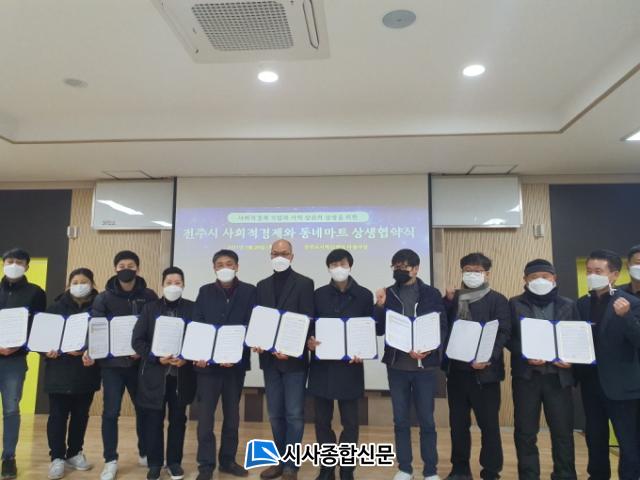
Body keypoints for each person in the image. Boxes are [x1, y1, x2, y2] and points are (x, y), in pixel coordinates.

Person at [374, 248, 446, 480]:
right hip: (397, 367)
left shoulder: (431, 293)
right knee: (400, 420)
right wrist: (379, 306)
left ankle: (430, 471)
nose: (399, 270)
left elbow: (441, 326)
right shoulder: (388, 293)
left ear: (415, 269)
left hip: (426, 368)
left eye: (403, 266)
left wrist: (429, 348)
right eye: (395, 266)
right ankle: (405, 468)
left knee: (427, 421)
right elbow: (379, 329)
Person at [85, 250, 157, 480]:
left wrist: (141, 351)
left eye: (131, 266)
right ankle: (110, 460)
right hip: (112, 366)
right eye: (122, 266)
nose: (126, 269)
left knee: (144, 410)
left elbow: (154, 327)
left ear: (138, 269)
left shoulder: (149, 295)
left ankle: (145, 452)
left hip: (140, 365)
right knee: (110, 412)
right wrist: (90, 350)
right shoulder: (103, 298)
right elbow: (96, 329)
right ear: (115, 269)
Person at [508, 259, 578, 480]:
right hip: (527, 377)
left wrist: (571, 359)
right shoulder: (514, 303)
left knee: (562, 432)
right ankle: (529, 475)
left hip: (559, 378)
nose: (540, 281)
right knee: (525, 433)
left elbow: (576, 336)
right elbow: (508, 336)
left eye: (545, 277)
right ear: (525, 280)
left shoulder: (569, 304)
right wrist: (525, 352)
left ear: (554, 278)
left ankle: (565, 475)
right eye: (534, 277)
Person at [442, 252, 510, 480]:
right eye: (468, 271)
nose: (472, 274)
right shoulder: (454, 298)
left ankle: (491, 471)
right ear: (462, 272)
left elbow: (503, 332)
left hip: (485, 374)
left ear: (487, 274)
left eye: (477, 271)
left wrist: (486, 357)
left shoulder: (498, 300)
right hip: (457, 373)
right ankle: (460, 469)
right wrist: (447, 301)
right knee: (458, 425)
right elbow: (443, 327)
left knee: (489, 426)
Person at [306, 249, 374, 480]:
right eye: (333, 264)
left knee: (351, 423)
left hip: (350, 368)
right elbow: (309, 327)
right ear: (328, 268)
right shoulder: (318, 294)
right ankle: (327, 469)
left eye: (342, 263)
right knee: (322, 422)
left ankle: (346, 469)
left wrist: (364, 350)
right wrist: (309, 342)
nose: (338, 268)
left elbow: (369, 329)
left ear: (350, 265)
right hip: (322, 368)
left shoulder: (364, 295)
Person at [575, 249, 640, 480]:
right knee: (595, 438)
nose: (592, 275)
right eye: (589, 271)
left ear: (614, 274)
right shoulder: (581, 304)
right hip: (591, 383)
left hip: (622, 386)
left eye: (598, 271)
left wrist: (627, 317)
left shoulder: (631, 303)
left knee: (628, 441)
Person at [191, 250, 256, 480]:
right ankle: (206, 465)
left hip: (234, 366)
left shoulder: (249, 291)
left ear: (237, 266)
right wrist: (200, 354)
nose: (225, 267)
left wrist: (236, 352)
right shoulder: (204, 291)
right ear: (214, 268)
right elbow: (198, 323)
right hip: (208, 367)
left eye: (229, 263)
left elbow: (253, 324)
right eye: (220, 264)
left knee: (232, 417)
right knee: (205, 419)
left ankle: (228, 461)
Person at [255, 240, 314, 480]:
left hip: (294, 361)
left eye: (284, 253)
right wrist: (258, 341)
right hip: (270, 361)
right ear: (270, 255)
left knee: (294, 414)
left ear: (292, 256)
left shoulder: (305, 283)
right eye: (275, 253)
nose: (280, 256)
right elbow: (260, 321)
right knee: (275, 414)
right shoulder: (262, 285)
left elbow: (308, 319)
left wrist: (292, 348)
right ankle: (279, 461)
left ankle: (291, 465)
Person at [131, 266, 196, 480]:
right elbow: (137, 341)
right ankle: (155, 463)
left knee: (178, 420)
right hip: (154, 375)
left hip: (181, 376)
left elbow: (198, 339)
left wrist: (186, 357)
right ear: (162, 285)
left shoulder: (193, 308)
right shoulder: (150, 308)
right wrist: (155, 357)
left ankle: (174, 463)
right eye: (169, 283)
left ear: (184, 285)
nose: (173, 286)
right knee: (153, 420)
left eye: (177, 283)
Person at [44, 268, 101, 480]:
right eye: (75, 282)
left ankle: (75, 452)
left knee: (80, 415)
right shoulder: (55, 308)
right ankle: (57, 457)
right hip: (59, 370)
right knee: (57, 416)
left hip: (86, 371)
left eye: (84, 281)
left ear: (92, 284)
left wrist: (91, 351)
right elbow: (43, 337)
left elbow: (103, 336)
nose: (79, 285)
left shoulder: (99, 308)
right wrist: (48, 350)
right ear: (68, 285)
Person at [0, 248, 46, 480]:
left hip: (15, 361)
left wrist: (21, 346)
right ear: (3, 263)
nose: (14, 265)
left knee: (10, 409)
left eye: (19, 262)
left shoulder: (36, 292)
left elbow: (39, 327)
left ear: (27, 266)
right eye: (10, 261)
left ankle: (8, 458)